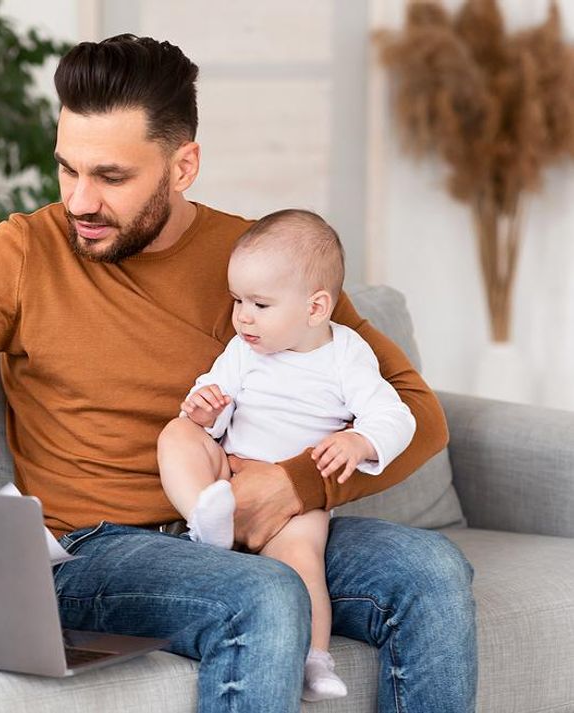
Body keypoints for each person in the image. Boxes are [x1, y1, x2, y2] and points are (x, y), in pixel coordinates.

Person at [0, 34, 476, 713]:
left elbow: (418, 413)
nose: (80, 201)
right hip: (97, 549)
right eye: (67, 170)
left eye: (111, 176)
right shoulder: (24, 252)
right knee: (262, 596)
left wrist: (299, 483)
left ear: (183, 164)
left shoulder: (259, 262)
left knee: (433, 572)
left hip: (249, 527)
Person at [157, 209, 417, 702]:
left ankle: (316, 660)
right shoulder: (243, 350)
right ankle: (202, 516)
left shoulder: (346, 355)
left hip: (297, 502)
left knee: (301, 564)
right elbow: (213, 395)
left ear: (316, 308)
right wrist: (204, 409)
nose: (242, 316)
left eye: (260, 303)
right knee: (177, 434)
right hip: (228, 471)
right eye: (237, 301)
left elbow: (397, 416)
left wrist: (360, 442)